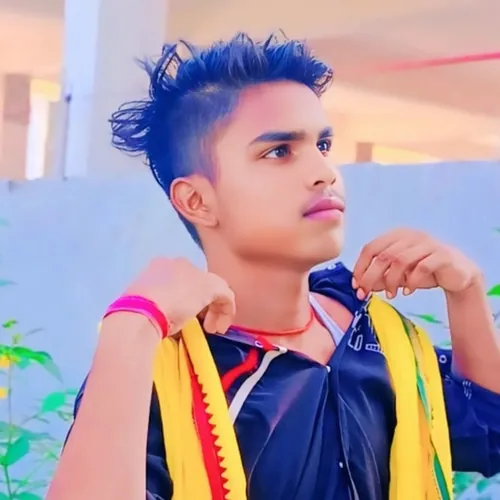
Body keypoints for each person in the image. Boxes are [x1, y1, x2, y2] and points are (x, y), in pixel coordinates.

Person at [47, 33, 500, 500]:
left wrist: (467, 291)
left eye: (323, 145)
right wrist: (131, 323)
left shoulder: (378, 335)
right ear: (197, 200)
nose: (324, 172)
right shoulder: (163, 370)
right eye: (279, 151)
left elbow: (491, 434)